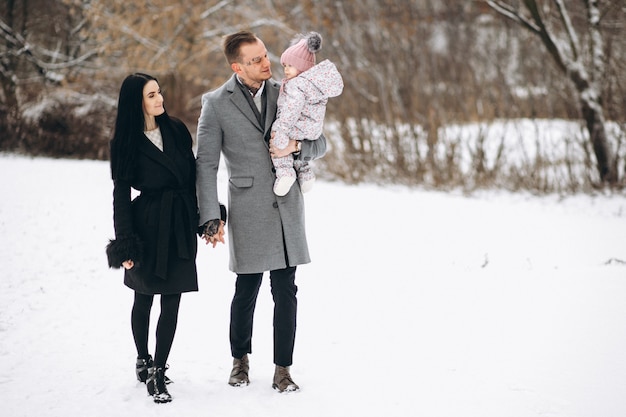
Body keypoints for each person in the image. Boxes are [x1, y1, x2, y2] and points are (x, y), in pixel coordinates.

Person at [195, 30, 327, 393]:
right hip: (248, 207)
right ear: (237, 66)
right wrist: (209, 217)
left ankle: (283, 370)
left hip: (287, 205)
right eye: (256, 60)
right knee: (246, 288)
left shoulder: (290, 90)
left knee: (286, 290)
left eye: (266, 55)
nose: (267, 63)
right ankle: (240, 360)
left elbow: (321, 141)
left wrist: (295, 146)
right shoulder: (216, 103)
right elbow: (205, 163)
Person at [106, 73, 216, 403]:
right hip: (147, 225)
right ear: (135, 102)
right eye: (151, 95)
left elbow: (194, 177)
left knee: (173, 299)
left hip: (180, 221)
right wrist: (124, 241)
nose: (159, 99)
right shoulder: (124, 141)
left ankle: (159, 370)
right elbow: (121, 194)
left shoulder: (177, 129)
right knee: (143, 297)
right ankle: (143, 356)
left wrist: (207, 218)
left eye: (159, 92)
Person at [271, 32, 343, 196]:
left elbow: (292, 109)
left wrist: (281, 130)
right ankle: (305, 172)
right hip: (313, 130)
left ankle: (285, 173)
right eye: (284, 66)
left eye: (290, 65)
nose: (286, 70)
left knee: (277, 136)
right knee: (294, 149)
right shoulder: (316, 86)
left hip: (299, 126)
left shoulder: (297, 85)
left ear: (302, 67)